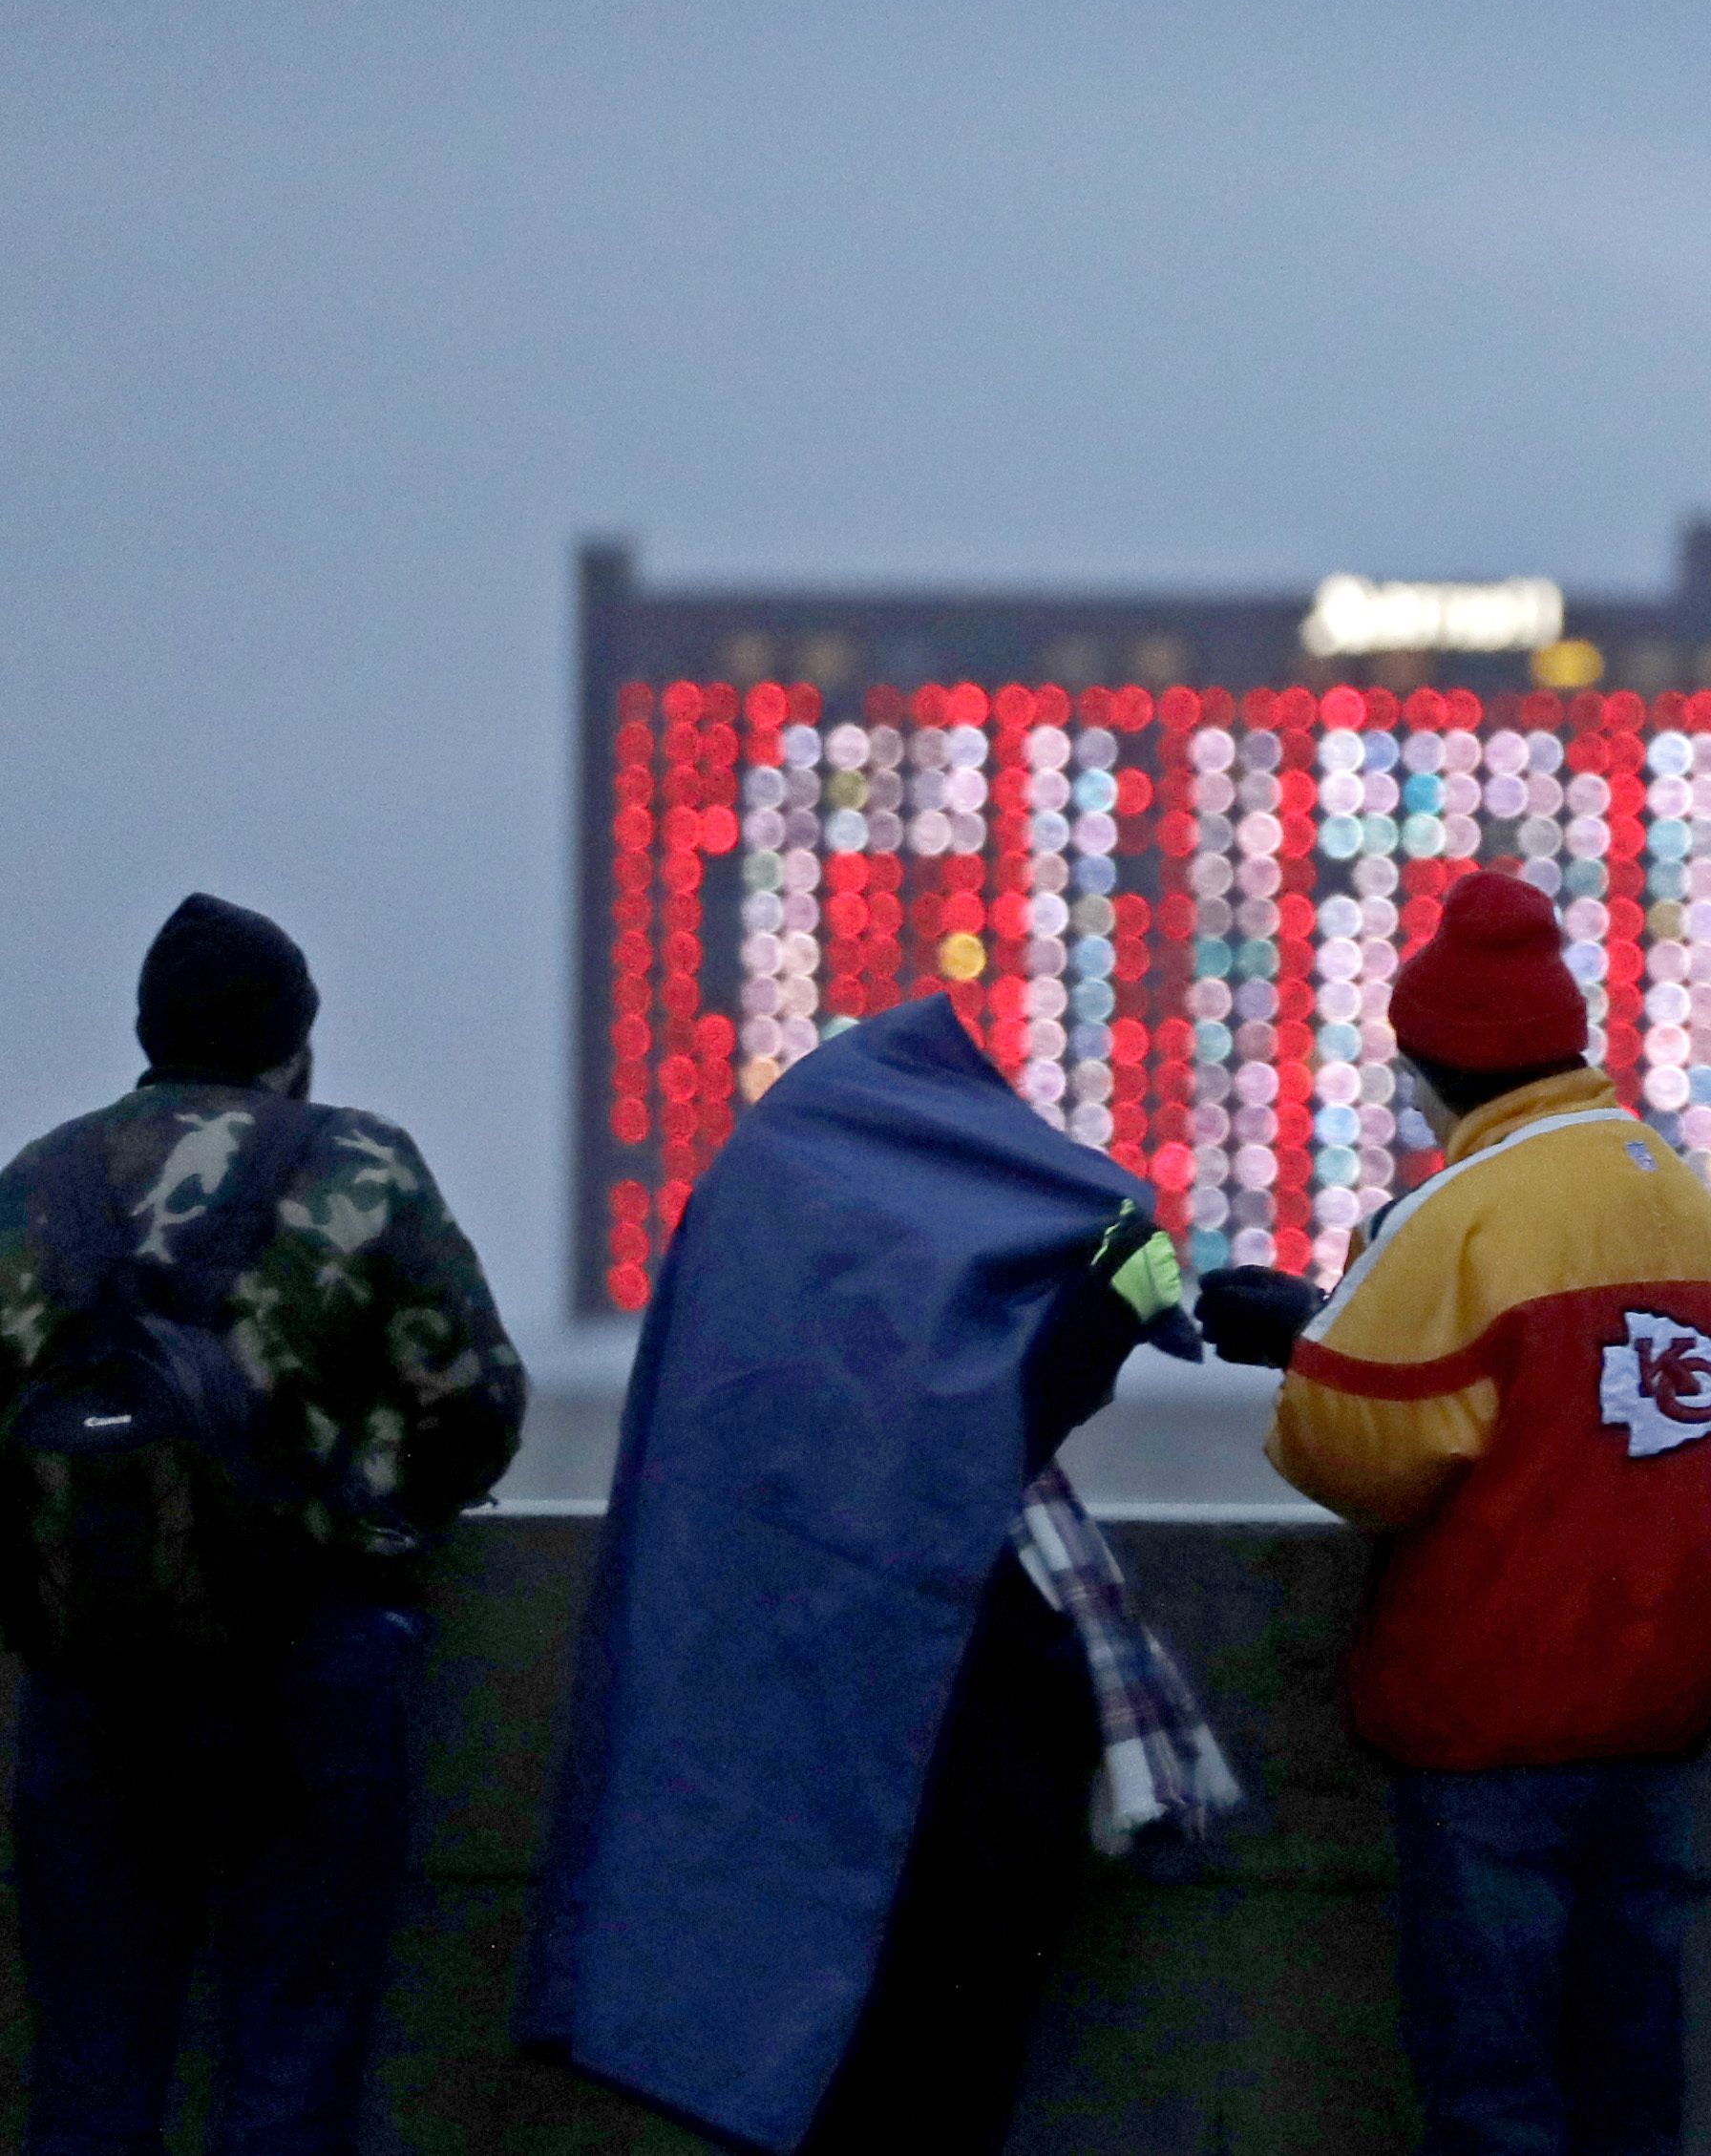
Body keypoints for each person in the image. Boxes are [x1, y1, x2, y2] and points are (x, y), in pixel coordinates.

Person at [526, 991, 1231, 2156]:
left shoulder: (763, 1267)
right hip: (969, 1789)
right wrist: (1117, 1234)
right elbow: (1071, 1346)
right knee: (948, 2083)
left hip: (807, 1796)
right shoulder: (959, 1382)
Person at [0, 893, 526, 2156]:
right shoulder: (356, 1163)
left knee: (91, 2066)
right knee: (291, 2061)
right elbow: (479, 1400)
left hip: (86, 1677)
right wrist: (368, 1514)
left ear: (149, 1034)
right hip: (311, 1667)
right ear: (295, 1044)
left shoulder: (39, 1183)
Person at [1265, 868, 1711, 2156]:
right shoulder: (1683, 1201)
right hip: (1661, 1709)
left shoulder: (1462, 1214)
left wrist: (1303, 1339)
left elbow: (1346, 1451)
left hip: (1495, 1717)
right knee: (1626, 2080)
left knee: (1494, 2093)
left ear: (1426, 1059)